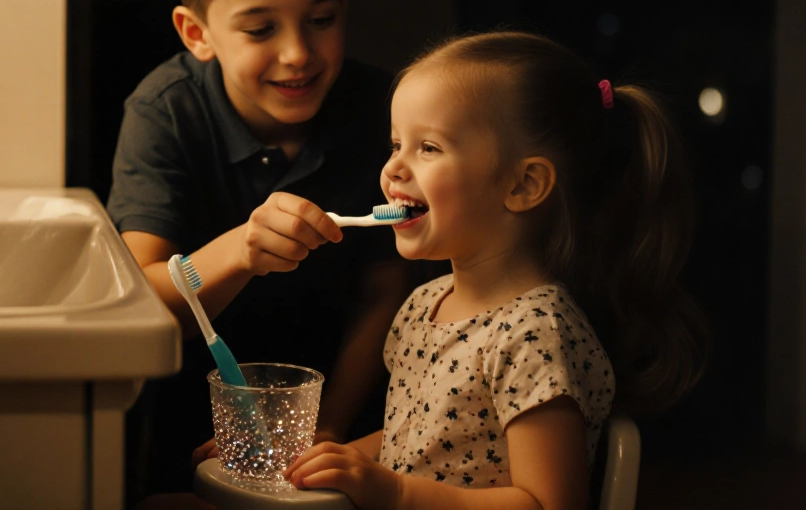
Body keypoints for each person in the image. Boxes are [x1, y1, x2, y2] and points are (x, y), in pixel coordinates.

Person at [284, 31, 709, 510]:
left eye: (428, 147)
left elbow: (549, 503)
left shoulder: (536, 334)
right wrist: (317, 461)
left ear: (524, 185)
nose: (393, 169)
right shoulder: (422, 306)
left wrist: (396, 493)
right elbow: (416, 440)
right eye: (395, 144)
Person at [106, 0, 410, 500]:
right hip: (187, 434)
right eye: (260, 28)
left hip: (344, 429)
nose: (297, 52)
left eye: (321, 19)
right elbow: (143, 307)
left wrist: (323, 428)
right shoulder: (166, 113)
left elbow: (383, 295)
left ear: (345, 0)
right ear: (198, 33)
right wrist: (240, 252)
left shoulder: (385, 112)